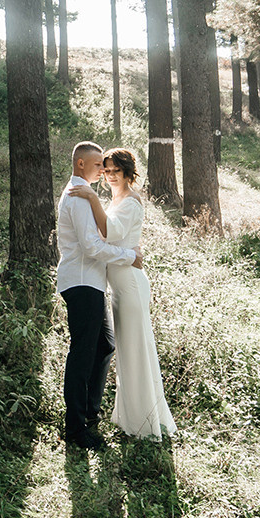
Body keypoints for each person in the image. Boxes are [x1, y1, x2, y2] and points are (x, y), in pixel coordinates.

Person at [70, 148, 174, 439]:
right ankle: (131, 418)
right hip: (118, 285)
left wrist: (90, 197)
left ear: (128, 173)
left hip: (129, 283)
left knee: (135, 351)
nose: (111, 175)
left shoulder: (129, 201)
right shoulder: (115, 199)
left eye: (117, 170)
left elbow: (110, 231)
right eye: (107, 170)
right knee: (127, 353)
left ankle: (144, 424)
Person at [56, 141, 140, 451]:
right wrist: (129, 255)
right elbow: (92, 247)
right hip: (80, 281)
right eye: (97, 166)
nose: (102, 171)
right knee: (82, 353)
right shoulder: (77, 196)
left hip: (90, 281)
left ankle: (89, 414)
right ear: (80, 165)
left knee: (104, 345)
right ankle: (76, 429)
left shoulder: (84, 195)